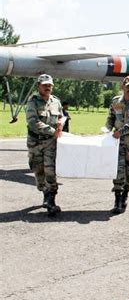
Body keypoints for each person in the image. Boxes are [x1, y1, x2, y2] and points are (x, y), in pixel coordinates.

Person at [105, 75, 129, 214]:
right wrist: (107, 129)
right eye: (128, 87)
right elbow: (110, 117)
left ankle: (126, 193)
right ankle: (118, 200)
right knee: (118, 170)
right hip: (117, 142)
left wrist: (121, 131)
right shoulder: (116, 101)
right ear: (123, 87)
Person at [25, 74, 63, 216]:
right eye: (45, 85)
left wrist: (60, 123)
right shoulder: (33, 101)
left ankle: (51, 201)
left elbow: (60, 116)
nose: (48, 87)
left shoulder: (56, 102)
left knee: (50, 170)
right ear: (39, 86)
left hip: (50, 143)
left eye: (50, 85)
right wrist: (52, 130)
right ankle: (45, 193)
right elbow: (33, 122)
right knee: (38, 170)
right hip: (35, 142)